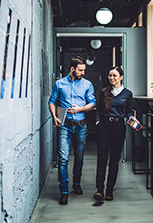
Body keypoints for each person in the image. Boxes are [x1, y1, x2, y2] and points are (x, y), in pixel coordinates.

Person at [48, 56, 96, 205]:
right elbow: (52, 101)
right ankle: (63, 191)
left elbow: (92, 104)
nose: (83, 73)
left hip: (81, 126)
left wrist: (79, 109)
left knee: (79, 157)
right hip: (64, 125)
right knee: (63, 158)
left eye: (84, 70)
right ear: (72, 69)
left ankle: (76, 183)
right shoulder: (59, 84)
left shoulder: (87, 84)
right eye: (80, 70)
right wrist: (54, 117)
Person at [93, 66, 140, 201]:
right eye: (109, 76)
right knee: (102, 159)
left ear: (121, 77)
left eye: (114, 76)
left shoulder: (127, 94)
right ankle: (99, 190)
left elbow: (129, 111)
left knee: (114, 160)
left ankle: (109, 190)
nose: (111, 78)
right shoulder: (104, 92)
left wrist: (132, 118)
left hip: (118, 127)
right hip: (104, 127)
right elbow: (98, 109)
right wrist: (97, 122)